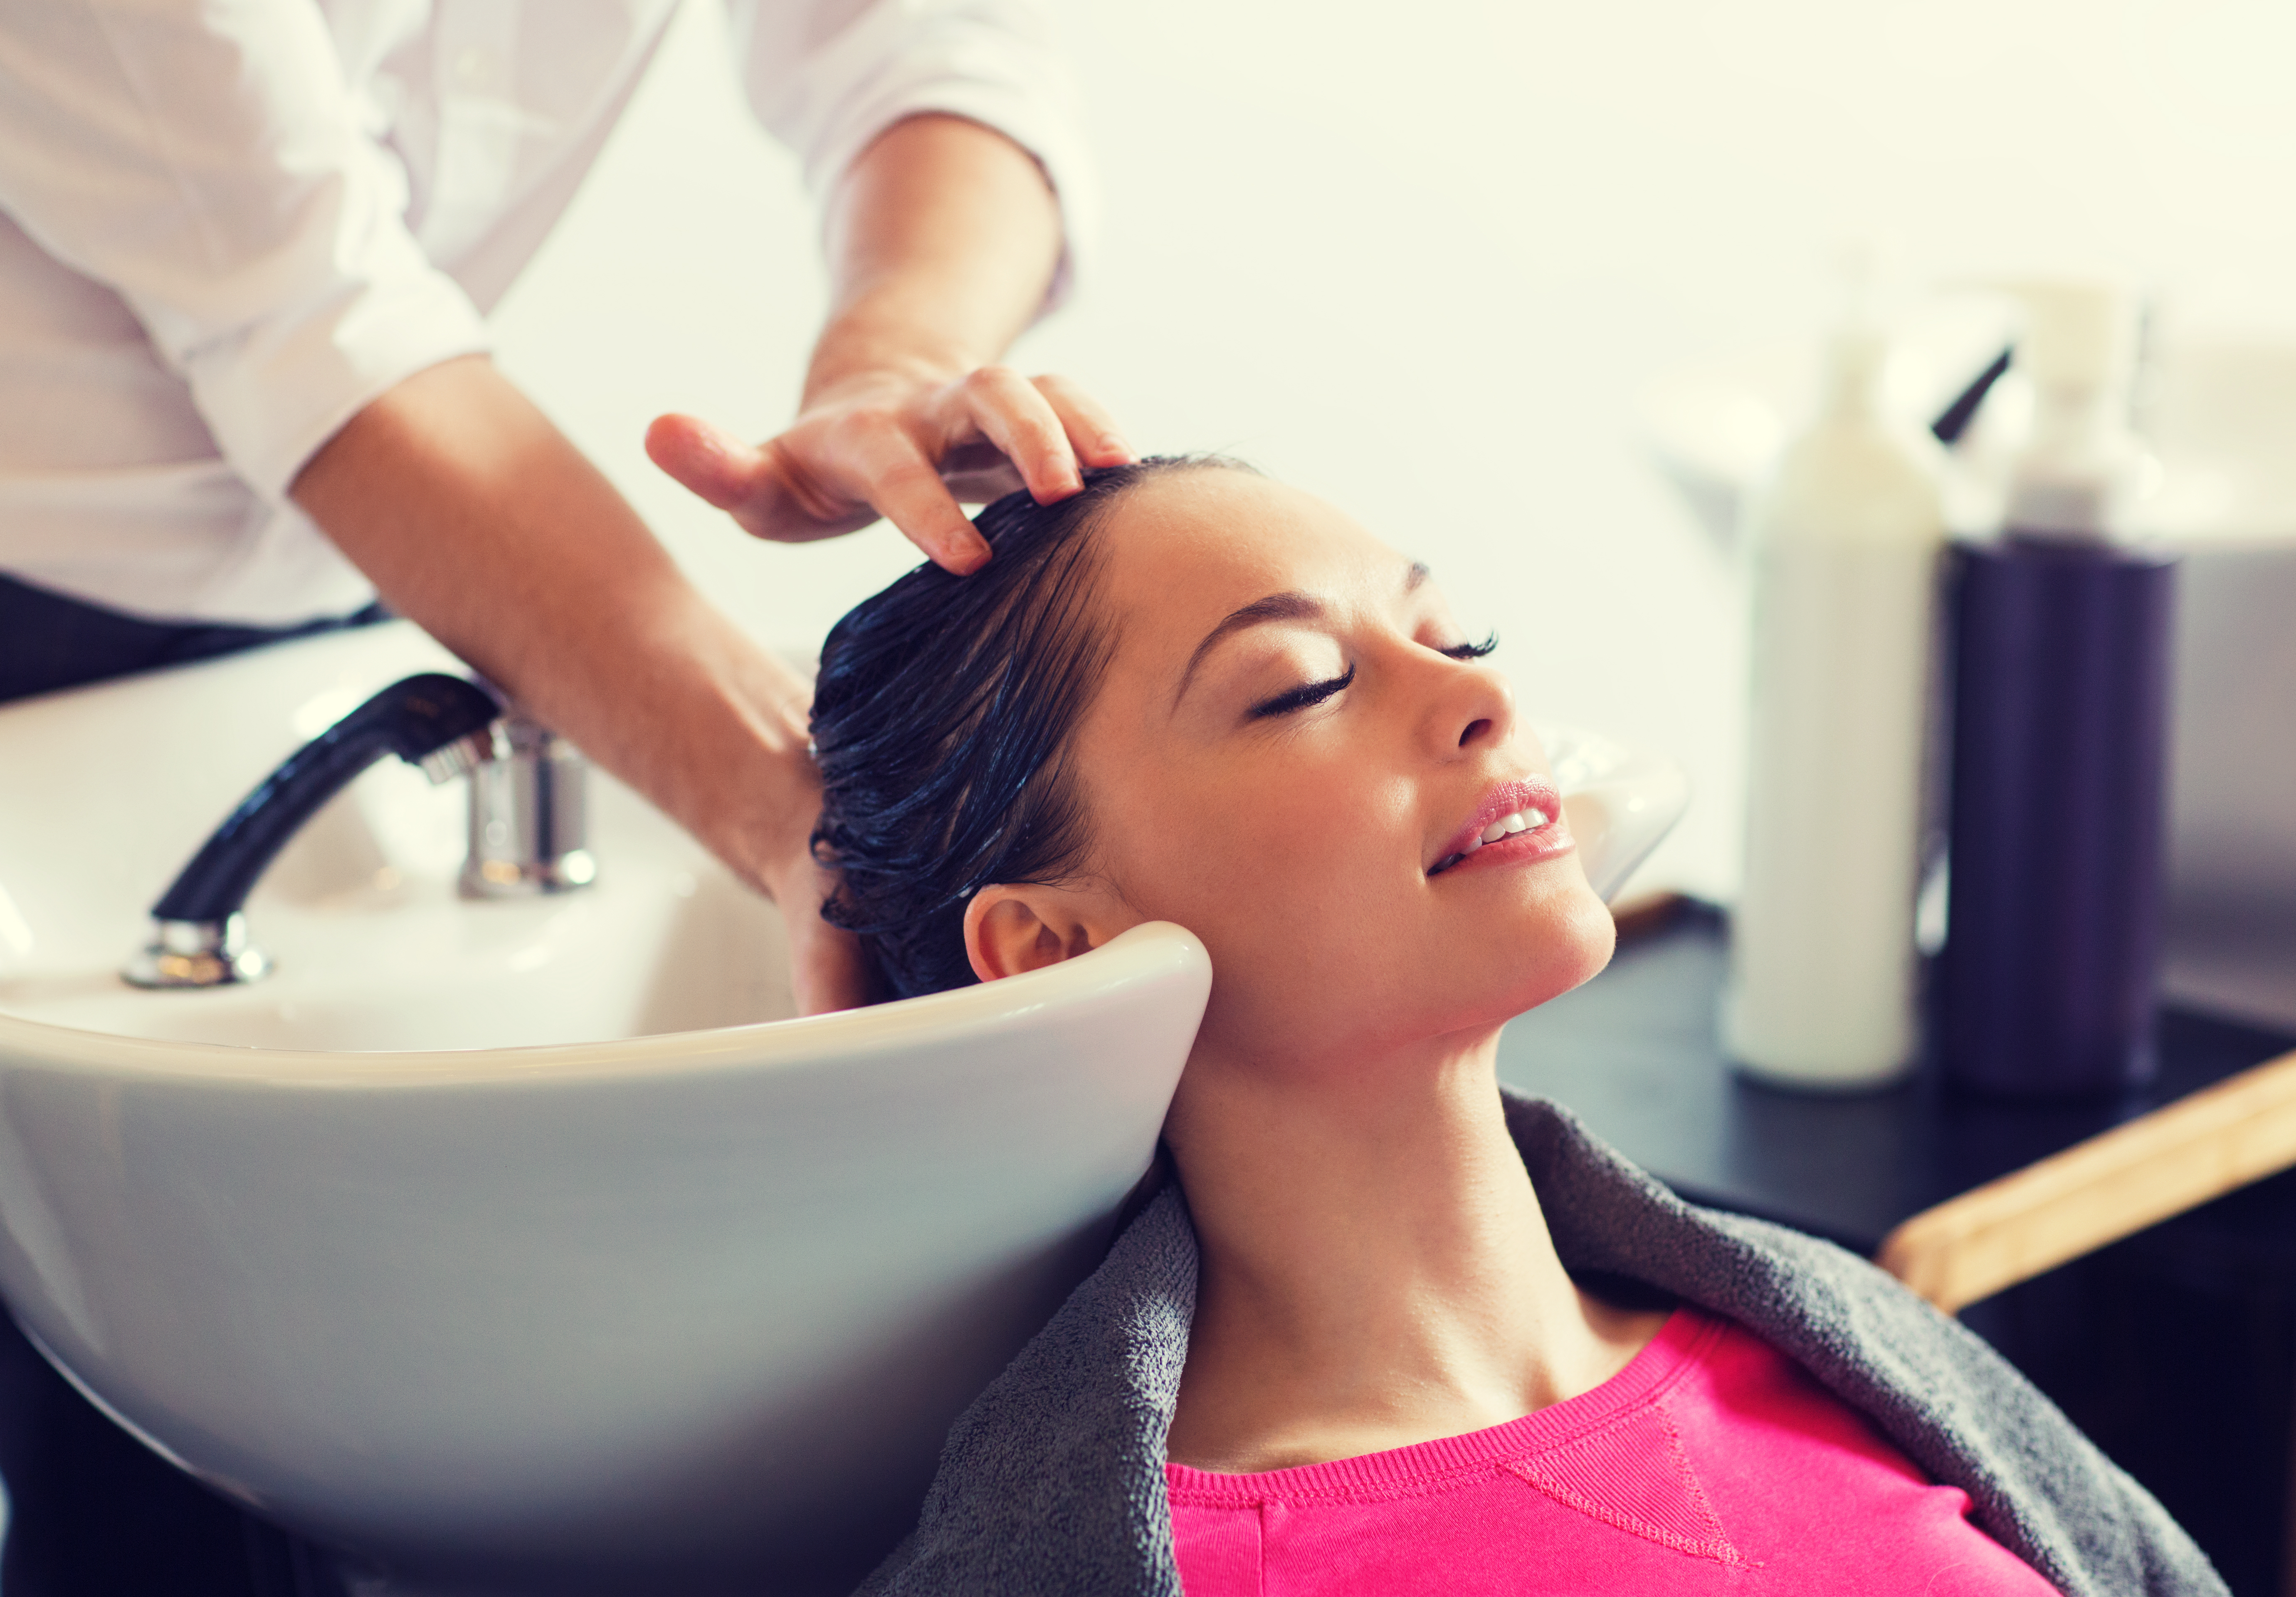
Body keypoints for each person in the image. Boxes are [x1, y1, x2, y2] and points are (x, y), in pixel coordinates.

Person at [0, 2, 1112, 1587]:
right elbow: (310, 320)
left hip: (357, 573)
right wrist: (787, 803)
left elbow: (929, 41)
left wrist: (899, 359)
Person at [804, 456, 2224, 1595]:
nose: (1483, 695)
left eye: (1451, 635)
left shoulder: (1840, 1351)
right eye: (1302, 685)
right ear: (1056, 946)